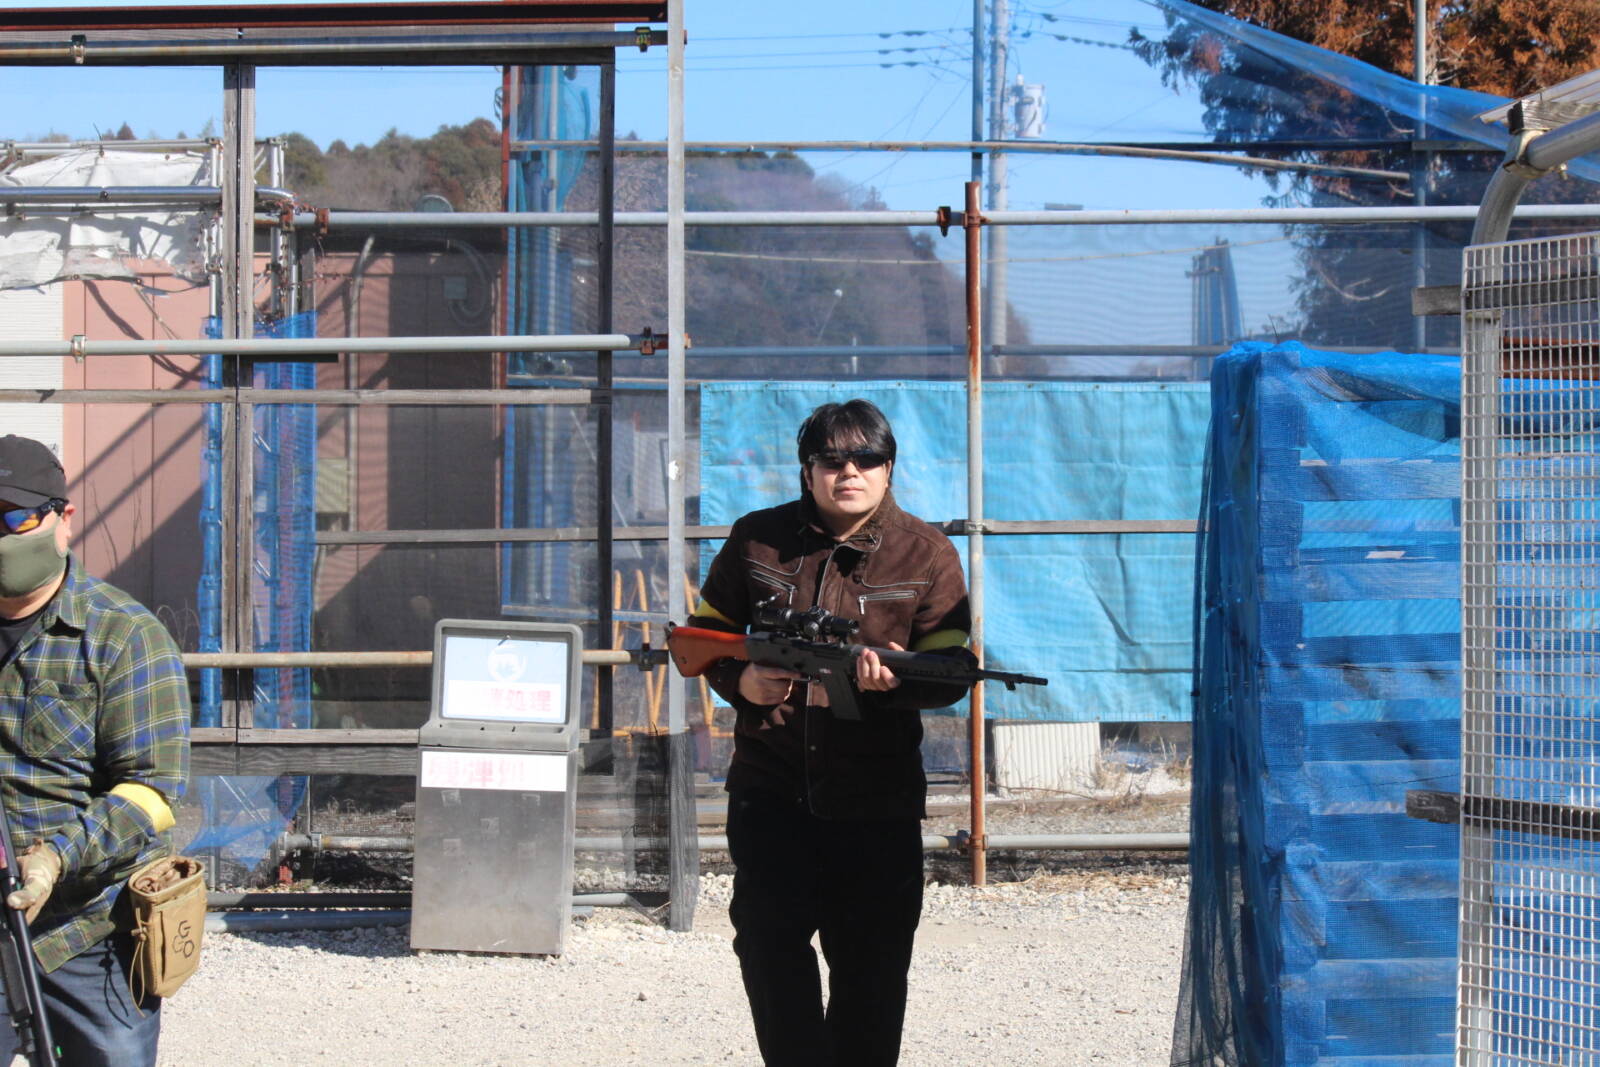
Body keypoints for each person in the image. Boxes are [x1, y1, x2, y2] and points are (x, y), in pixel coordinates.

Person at [690, 399, 977, 1067]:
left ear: (889, 467)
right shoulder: (757, 539)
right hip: (771, 790)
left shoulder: (927, 553)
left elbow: (953, 670)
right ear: (807, 469)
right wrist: (741, 681)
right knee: (768, 948)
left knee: (872, 968)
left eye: (866, 458)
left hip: (875, 800)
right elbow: (703, 637)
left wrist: (897, 680)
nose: (849, 472)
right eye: (831, 459)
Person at [0, 434, 190, 1066]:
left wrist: (54, 859)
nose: (0, 536)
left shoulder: (123, 635)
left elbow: (153, 792)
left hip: (91, 930)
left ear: (64, 519)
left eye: (13, 518)